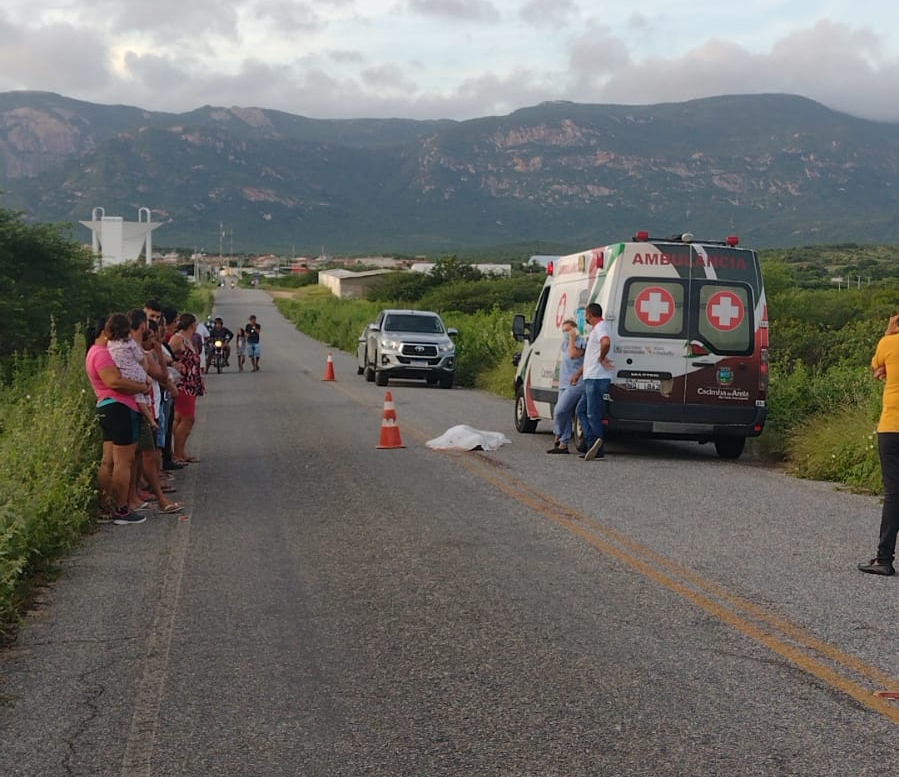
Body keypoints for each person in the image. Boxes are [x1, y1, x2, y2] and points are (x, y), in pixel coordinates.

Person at [85, 314, 152, 525]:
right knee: (125, 461)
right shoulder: (102, 354)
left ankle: (105, 506)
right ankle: (122, 509)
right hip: (120, 407)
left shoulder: (94, 353)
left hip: (107, 407)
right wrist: (142, 387)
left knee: (109, 461)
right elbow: (114, 381)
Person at [858, 313, 899, 575]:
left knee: (894, 493)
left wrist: (887, 334)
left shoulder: (888, 345)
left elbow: (876, 367)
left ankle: (884, 559)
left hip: (893, 426)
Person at [575, 302, 614, 461]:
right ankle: (593, 443)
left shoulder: (601, 328)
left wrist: (602, 357)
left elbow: (606, 342)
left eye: (586, 317)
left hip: (597, 378)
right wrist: (578, 374)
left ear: (590, 315)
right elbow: (590, 357)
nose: (586, 319)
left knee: (592, 414)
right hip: (591, 377)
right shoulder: (598, 329)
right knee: (581, 411)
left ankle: (596, 447)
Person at [168, 313, 205, 464]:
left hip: (191, 383)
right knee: (187, 419)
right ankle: (177, 454)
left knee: (181, 419)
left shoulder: (190, 339)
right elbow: (167, 355)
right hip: (183, 383)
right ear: (191, 325)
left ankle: (180, 452)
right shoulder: (178, 339)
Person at [547, 318, 586, 454]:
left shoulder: (581, 342)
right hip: (564, 383)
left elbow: (573, 354)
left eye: (568, 330)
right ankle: (563, 443)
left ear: (574, 330)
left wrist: (572, 339)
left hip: (576, 383)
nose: (566, 333)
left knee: (560, 410)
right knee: (565, 413)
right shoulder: (565, 343)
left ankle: (557, 434)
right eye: (564, 331)